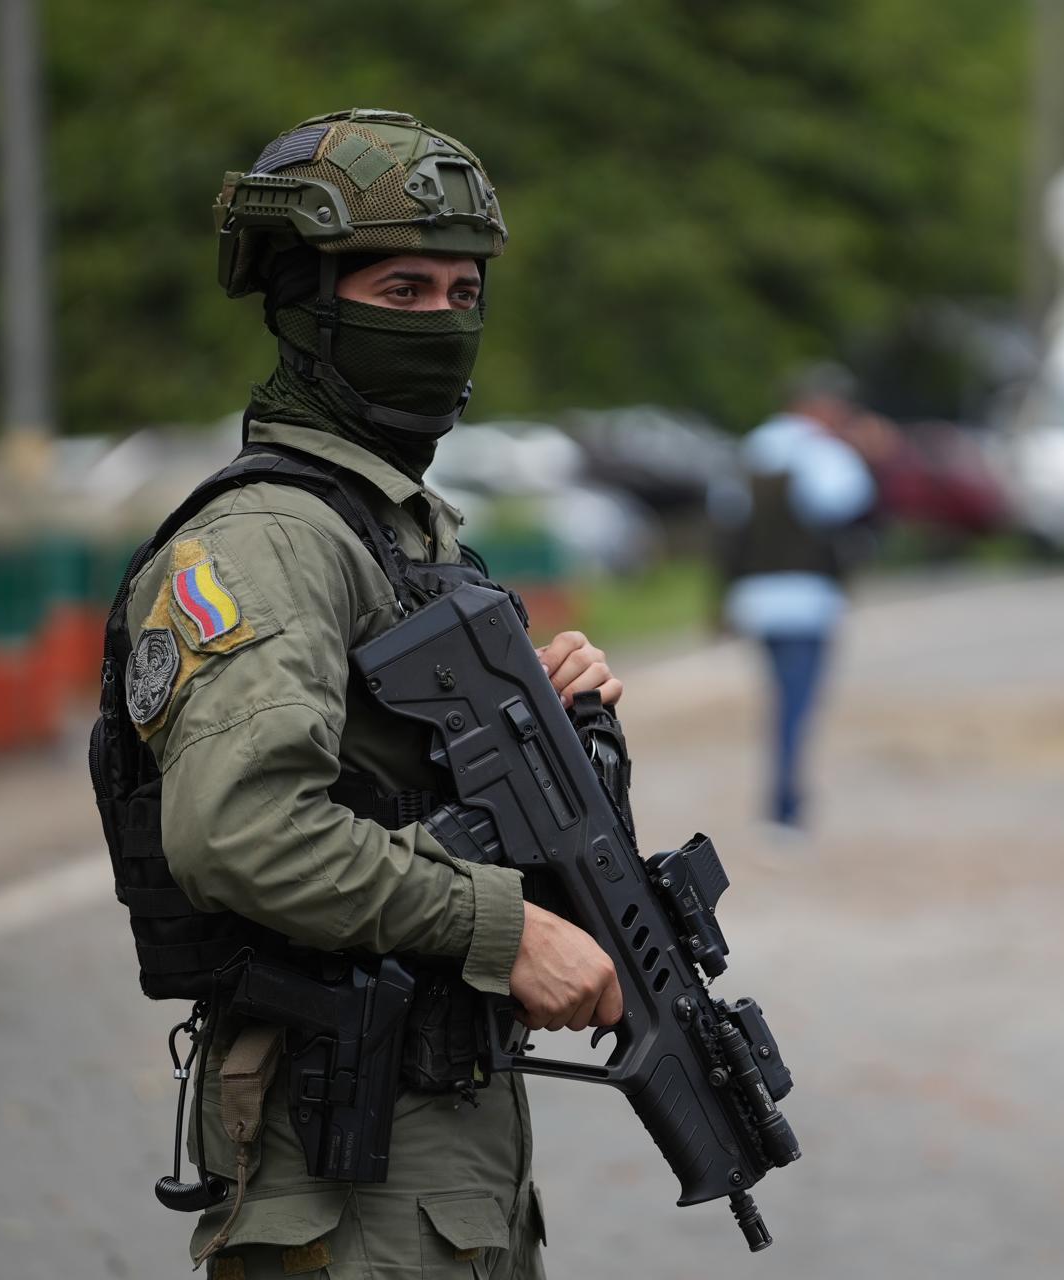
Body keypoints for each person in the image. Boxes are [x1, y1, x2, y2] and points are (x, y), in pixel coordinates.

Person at [131, 109, 622, 1279]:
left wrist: (552, 732)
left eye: (464, 293)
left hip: (443, 1148)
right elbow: (241, 828)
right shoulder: (271, 540)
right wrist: (502, 926)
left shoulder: (395, 528)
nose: (443, 321)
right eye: (403, 289)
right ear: (306, 303)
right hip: (341, 1160)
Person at [712, 364, 875, 834]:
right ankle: (784, 805)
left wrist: (720, 598)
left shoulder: (752, 450)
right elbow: (851, 507)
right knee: (796, 705)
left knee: (781, 698)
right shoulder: (826, 454)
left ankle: (783, 799)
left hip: (757, 598)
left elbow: (728, 526)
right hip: (807, 598)